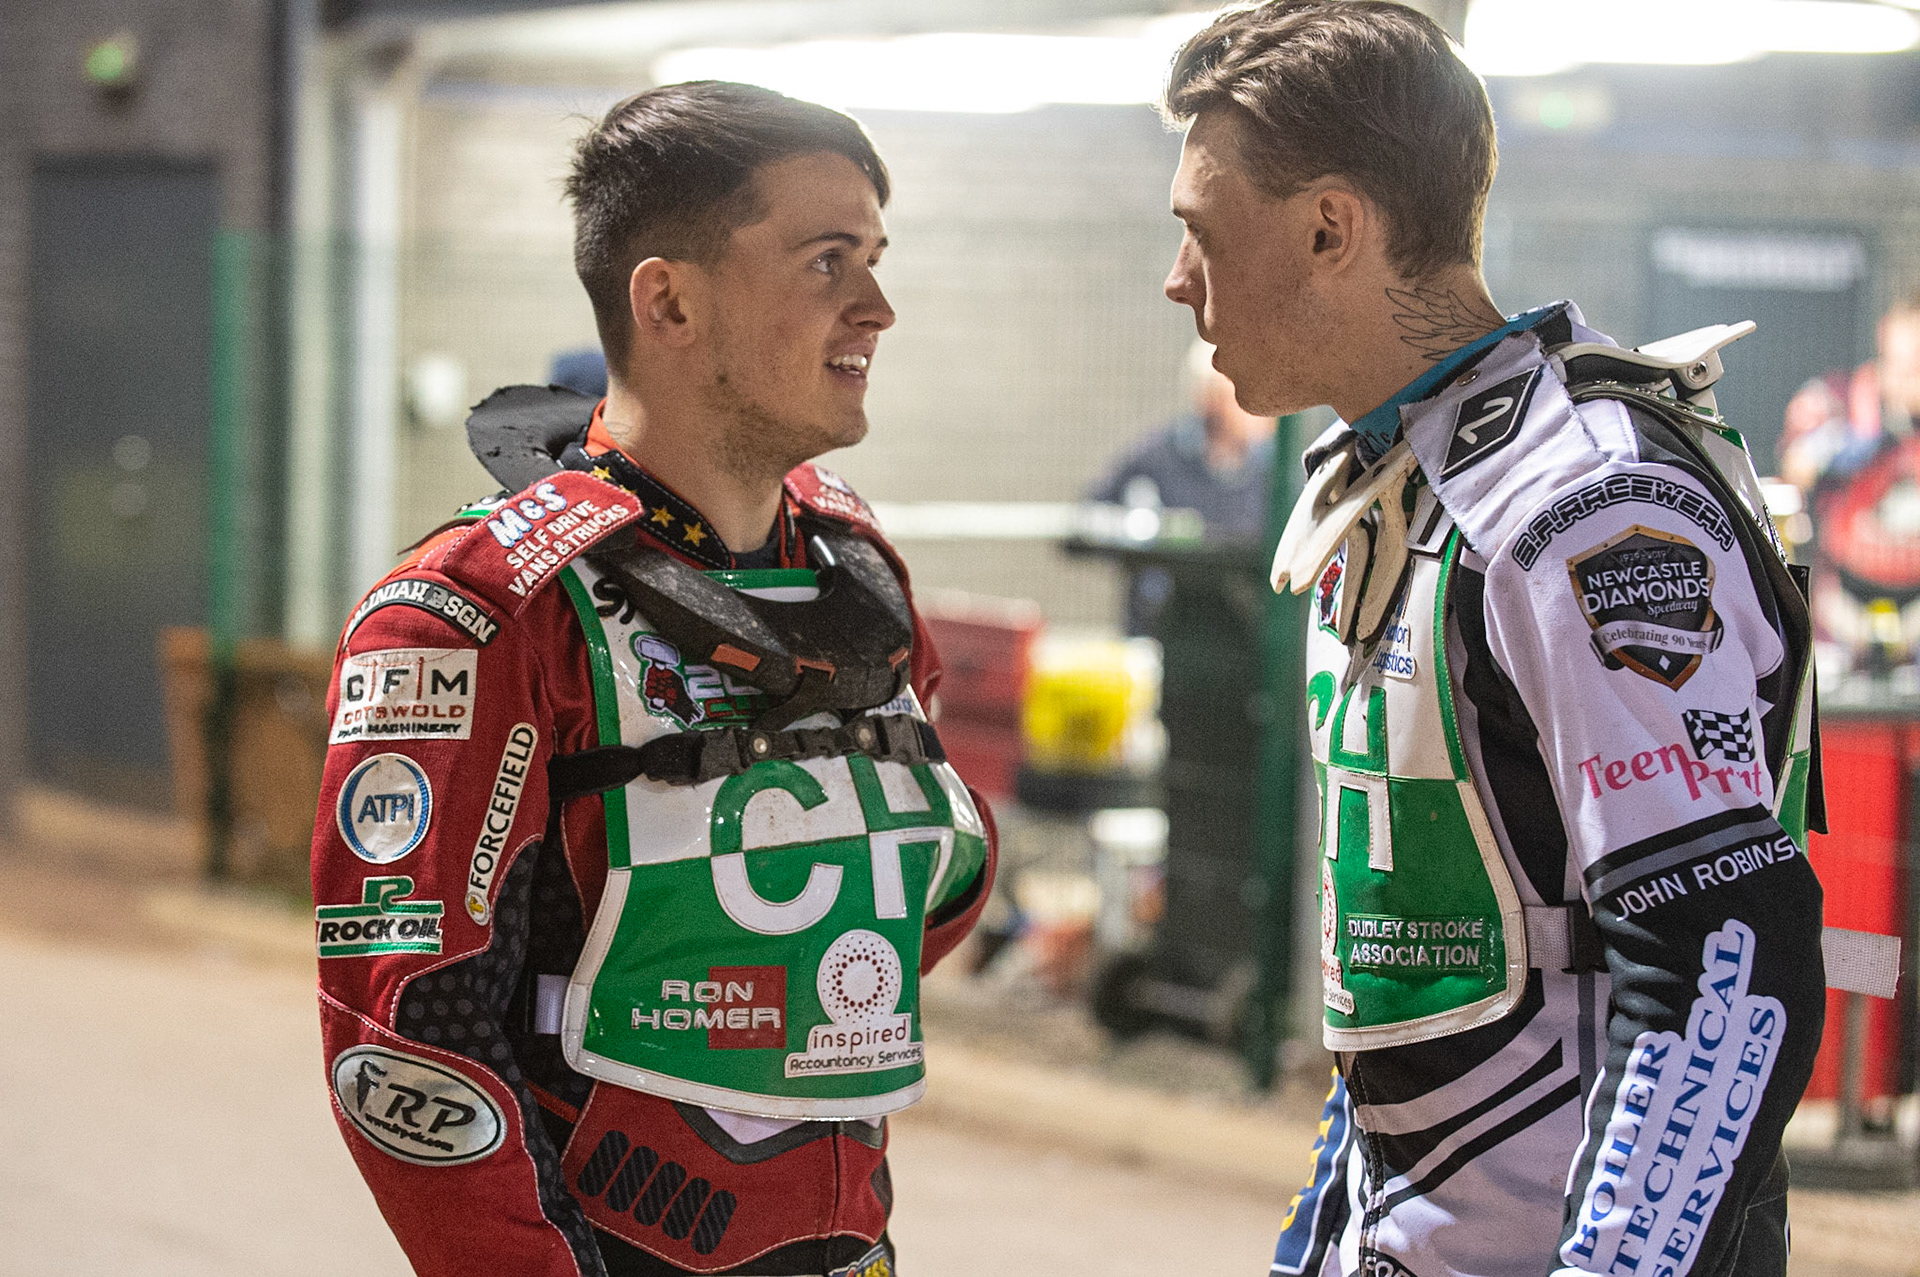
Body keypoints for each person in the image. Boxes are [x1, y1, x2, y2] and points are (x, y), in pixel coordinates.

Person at [1159, 6, 1825, 1277]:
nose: (1178, 277)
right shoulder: (1402, 486)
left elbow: (1724, 965)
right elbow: (1421, 1008)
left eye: (1199, 230)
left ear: (1327, 228)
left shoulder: (1582, 509)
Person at [311, 81, 996, 1277]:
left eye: (876, 259)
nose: (878, 307)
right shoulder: (476, 608)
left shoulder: (858, 571)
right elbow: (411, 1030)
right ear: (669, 300)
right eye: (827, 262)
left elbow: (900, 909)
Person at [1088, 338, 1276, 633]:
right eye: (1240, 396)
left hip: (1243, 634)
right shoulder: (1160, 455)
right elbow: (1096, 510)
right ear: (1210, 401)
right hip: (1162, 629)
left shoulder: (1275, 469)